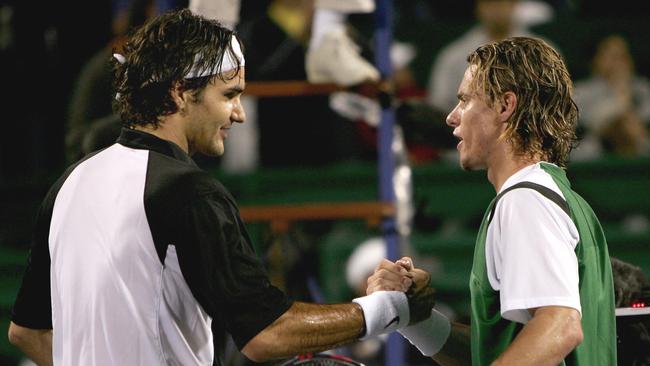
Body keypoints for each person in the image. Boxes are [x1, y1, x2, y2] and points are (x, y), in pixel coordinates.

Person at [7, 9, 438, 366]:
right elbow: (267, 333)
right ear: (180, 93)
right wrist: (390, 308)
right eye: (229, 95)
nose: (239, 114)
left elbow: (26, 332)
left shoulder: (69, 183)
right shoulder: (188, 192)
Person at [367, 37, 617, 365]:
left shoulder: (525, 201)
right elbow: (498, 354)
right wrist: (417, 320)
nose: (451, 117)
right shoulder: (556, 198)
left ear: (504, 105)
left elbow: (560, 327)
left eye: (465, 101)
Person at [427, 0, 554, 115]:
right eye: (489, 2)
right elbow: (438, 108)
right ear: (478, 7)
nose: (496, 9)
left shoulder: (542, 53)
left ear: (514, 4)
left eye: (502, 2)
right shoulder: (453, 56)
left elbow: (557, 104)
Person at [573, 34, 650, 159]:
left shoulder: (644, 88)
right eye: (611, 56)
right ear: (595, 60)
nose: (618, 62)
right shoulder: (579, 92)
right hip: (592, 158)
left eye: (622, 56)